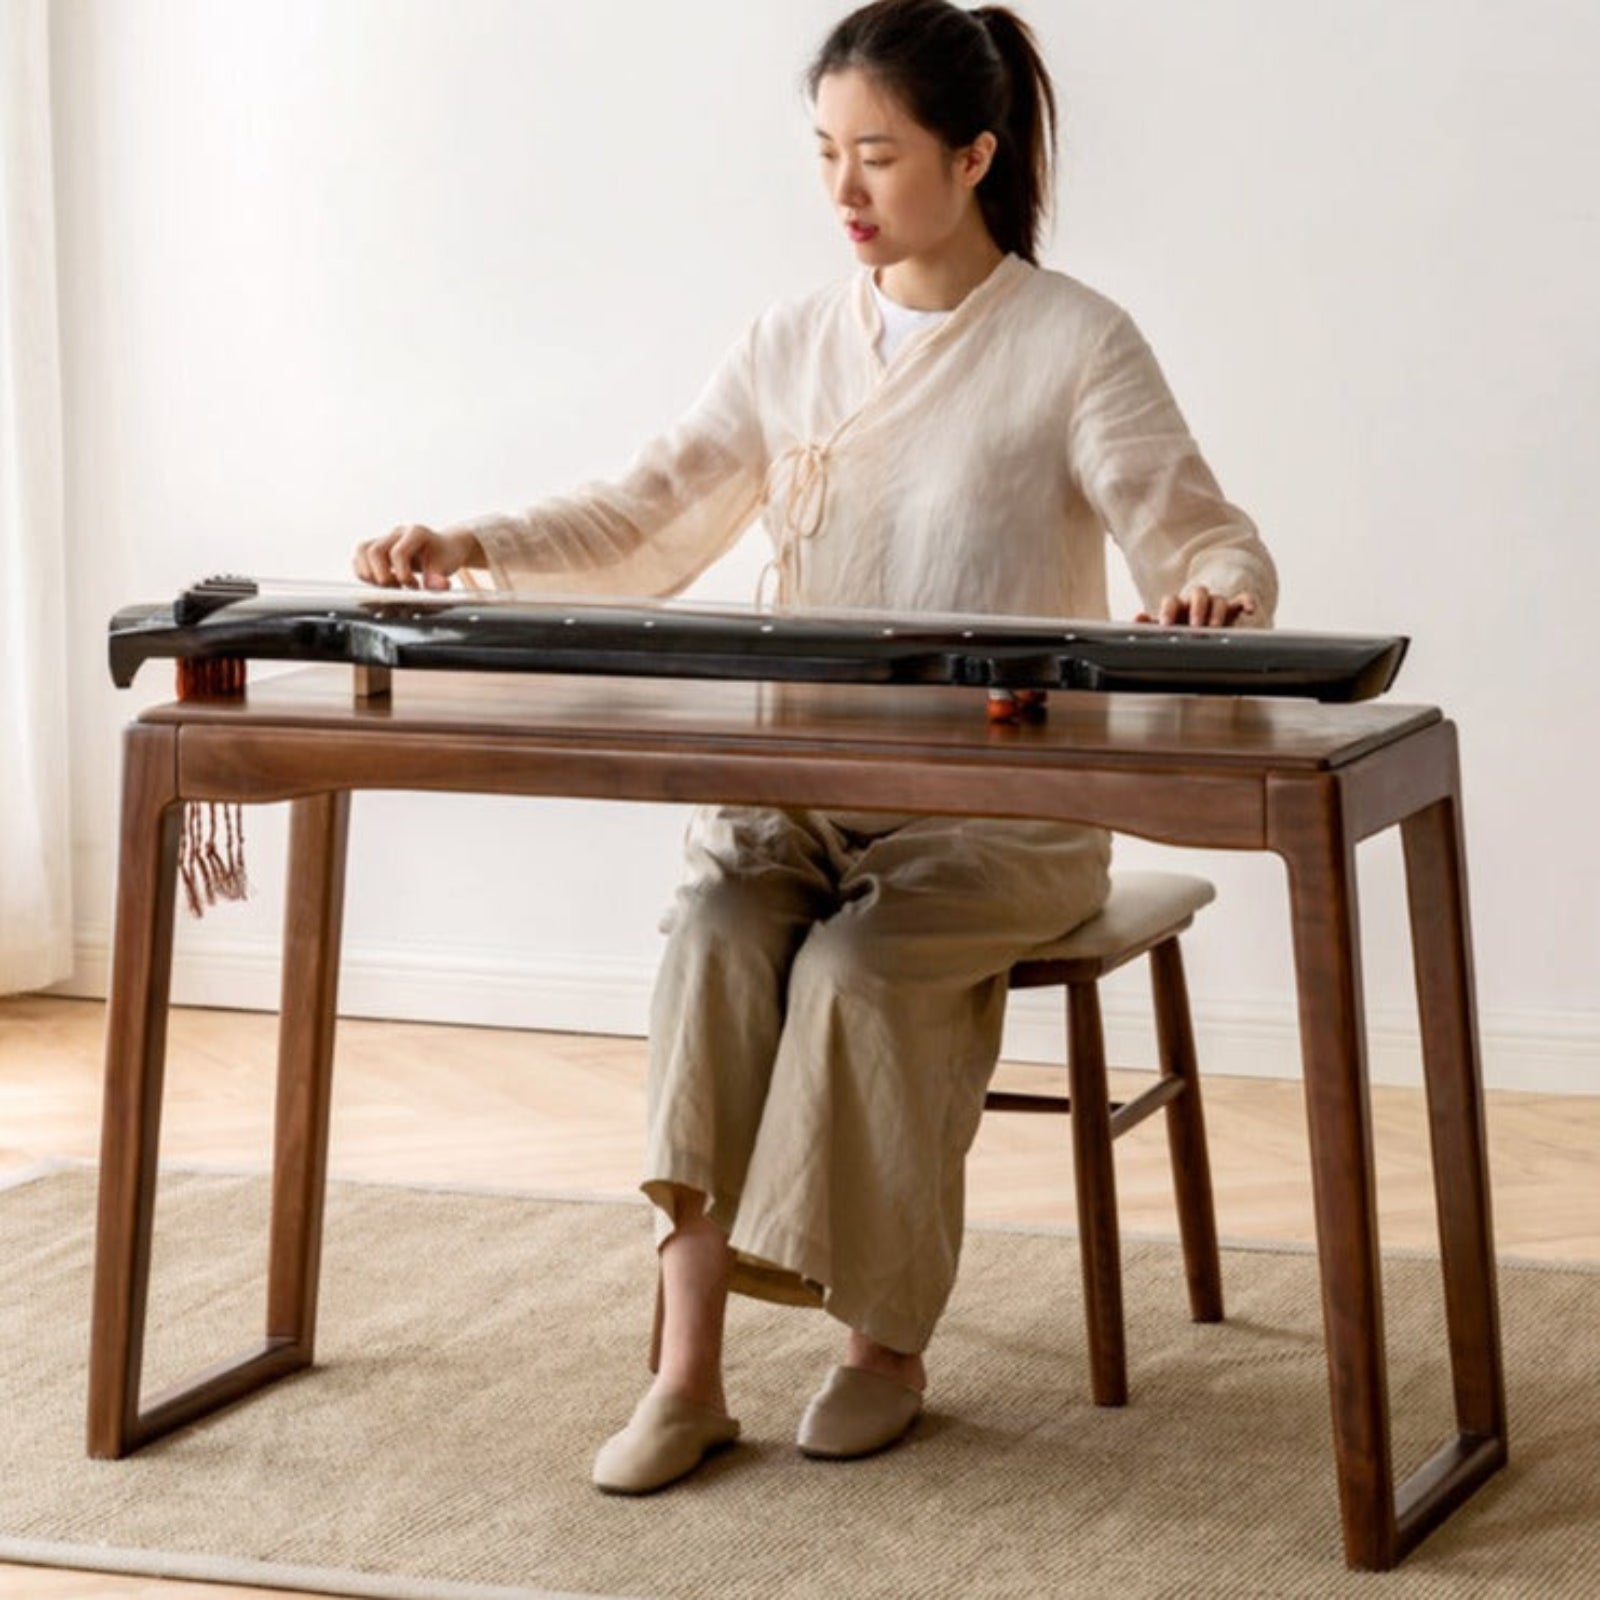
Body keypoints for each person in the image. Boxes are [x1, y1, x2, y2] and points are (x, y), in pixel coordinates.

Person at [354, 0, 1277, 1495]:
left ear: (974, 158)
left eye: (880, 156)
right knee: (717, 940)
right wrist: (471, 542)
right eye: (826, 154)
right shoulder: (789, 343)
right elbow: (646, 510)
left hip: (999, 816)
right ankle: (687, 1372)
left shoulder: (1074, 342)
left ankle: (881, 1345)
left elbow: (1200, 532)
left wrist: (1214, 592)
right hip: (802, 792)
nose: (845, 190)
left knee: (856, 968)